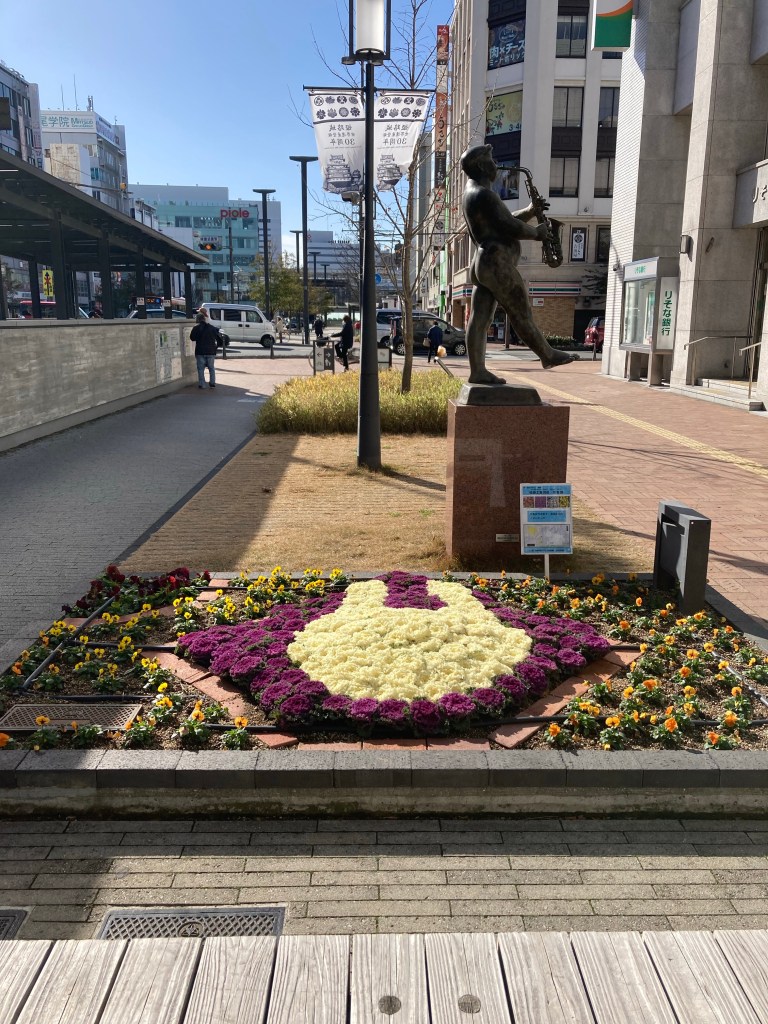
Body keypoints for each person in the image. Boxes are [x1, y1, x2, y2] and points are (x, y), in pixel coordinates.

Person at [461, 143, 576, 384]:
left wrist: (530, 210)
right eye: (491, 160)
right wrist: (537, 233)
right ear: (482, 165)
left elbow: (502, 219)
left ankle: (478, 371)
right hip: (496, 263)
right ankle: (547, 354)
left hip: (483, 261)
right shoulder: (484, 194)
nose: (496, 165)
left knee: (480, 318)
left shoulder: (474, 191)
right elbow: (509, 226)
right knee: (521, 313)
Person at [190, 312, 220, 389]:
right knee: (211, 368)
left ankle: (202, 384)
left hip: (200, 351)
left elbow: (192, 338)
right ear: (204, 319)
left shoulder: (196, 328)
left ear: (198, 320)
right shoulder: (212, 328)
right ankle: (212, 383)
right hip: (211, 351)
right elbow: (219, 339)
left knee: (200, 369)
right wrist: (215, 347)